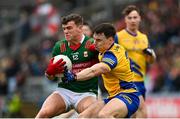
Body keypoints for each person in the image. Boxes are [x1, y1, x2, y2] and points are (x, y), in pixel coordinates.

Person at [63, 23, 140, 118]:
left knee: (104, 115)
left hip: (128, 95)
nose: (94, 43)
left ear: (110, 40)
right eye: (94, 39)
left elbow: (94, 71)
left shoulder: (113, 55)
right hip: (113, 97)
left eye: (98, 40)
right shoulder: (104, 47)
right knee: (82, 117)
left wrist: (74, 76)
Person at [35, 13, 99, 118]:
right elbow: (51, 78)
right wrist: (50, 72)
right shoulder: (59, 46)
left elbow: (101, 68)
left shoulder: (92, 44)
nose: (66, 31)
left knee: (91, 115)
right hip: (64, 91)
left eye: (69, 28)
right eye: (64, 29)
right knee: (42, 114)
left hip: (86, 93)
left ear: (80, 28)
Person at [115, 5, 156, 118]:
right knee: (142, 111)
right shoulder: (118, 37)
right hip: (127, 81)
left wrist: (151, 55)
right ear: (125, 20)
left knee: (133, 115)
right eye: (130, 18)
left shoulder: (144, 37)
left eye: (135, 17)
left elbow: (150, 60)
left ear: (140, 18)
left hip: (141, 81)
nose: (133, 20)